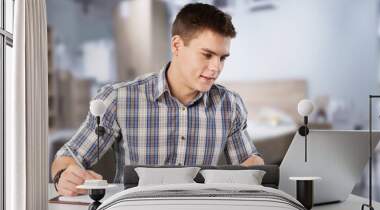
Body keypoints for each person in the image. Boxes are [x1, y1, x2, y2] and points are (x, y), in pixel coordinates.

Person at [51, 3, 264, 196]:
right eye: (207, 55)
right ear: (177, 46)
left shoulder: (229, 105)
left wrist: (256, 168)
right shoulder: (118, 99)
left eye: (222, 57)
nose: (216, 67)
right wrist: (64, 176)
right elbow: (68, 156)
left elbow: (247, 161)